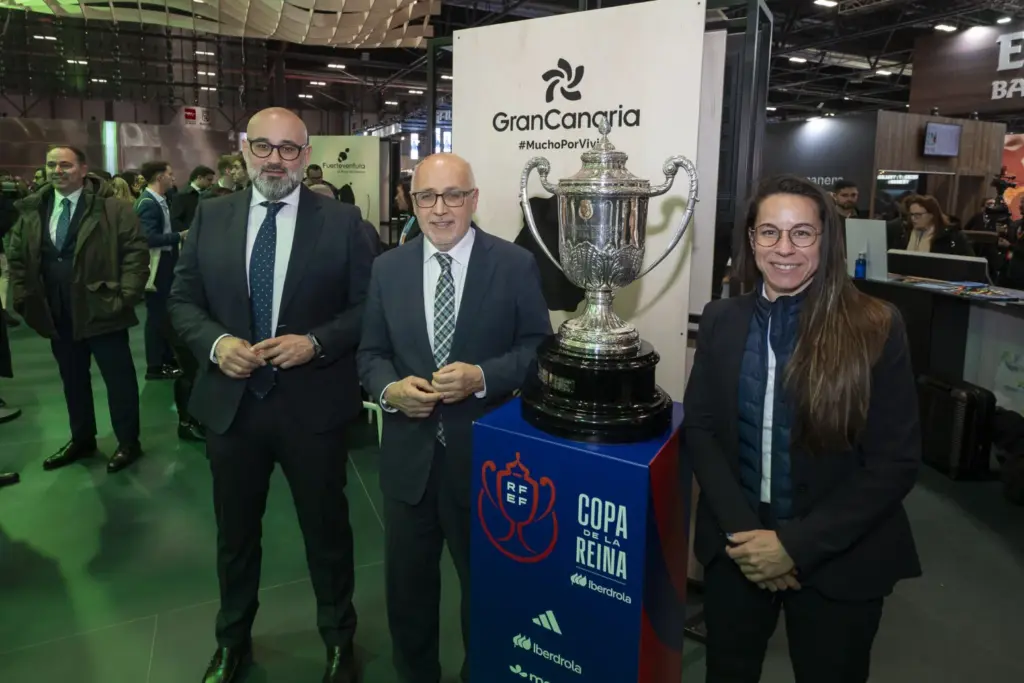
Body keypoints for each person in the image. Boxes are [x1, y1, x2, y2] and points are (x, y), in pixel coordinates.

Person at [684, 175, 922, 683]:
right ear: (751, 241)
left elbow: (895, 462)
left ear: (825, 239)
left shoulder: (875, 325)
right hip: (737, 547)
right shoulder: (722, 319)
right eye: (769, 233)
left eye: (802, 234)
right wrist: (748, 536)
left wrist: (793, 546)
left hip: (841, 554)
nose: (784, 248)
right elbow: (701, 428)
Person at [169, 107, 373, 683]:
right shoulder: (212, 217)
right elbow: (181, 302)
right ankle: (232, 640)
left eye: (289, 149)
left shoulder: (343, 223)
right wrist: (216, 344)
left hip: (313, 407)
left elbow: (366, 307)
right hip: (231, 409)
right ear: (244, 149)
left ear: (306, 157)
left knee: (327, 533)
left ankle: (339, 640)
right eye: (264, 147)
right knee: (235, 536)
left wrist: (316, 342)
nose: (275, 160)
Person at [357, 153, 551, 683]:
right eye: (427, 197)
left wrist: (482, 377)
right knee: (408, 592)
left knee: (485, 590)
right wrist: (389, 390)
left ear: (474, 200)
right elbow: (370, 354)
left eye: (453, 196)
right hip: (407, 462)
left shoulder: (513, 265)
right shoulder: (387, 268)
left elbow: (538, 349)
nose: (440, 209)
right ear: (411, 202)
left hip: (485, 464)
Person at [7, 147, 148, 473]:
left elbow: (135, 255)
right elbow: (17, 256)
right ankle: (82, 438)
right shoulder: (34, 210)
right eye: (51, 164)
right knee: (72, 380)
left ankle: (129, 442)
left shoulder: (114, 210)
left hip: (104, 310)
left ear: (83, 169)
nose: (58, 170)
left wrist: (123, 298)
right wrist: (23, 298)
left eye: (65, 165)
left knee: (120, 381)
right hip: (56, 312)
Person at [136, 160, 184, 380]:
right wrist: (179, 236)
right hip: (157, 264)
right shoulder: (148, 203)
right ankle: (155, 365)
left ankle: (166, 359)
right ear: (159, 177)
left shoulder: (161, 200)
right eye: (170, 174)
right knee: (157, 316)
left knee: (164, 315)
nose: (173, 178)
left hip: (166, 261)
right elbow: (148, 238)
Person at [904, 194, 974, 256]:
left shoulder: (952, 237)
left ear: (931, 215)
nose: (913, 219)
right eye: (911, 215)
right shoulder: (904, 234)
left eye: (918, 215)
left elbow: (969, 262)